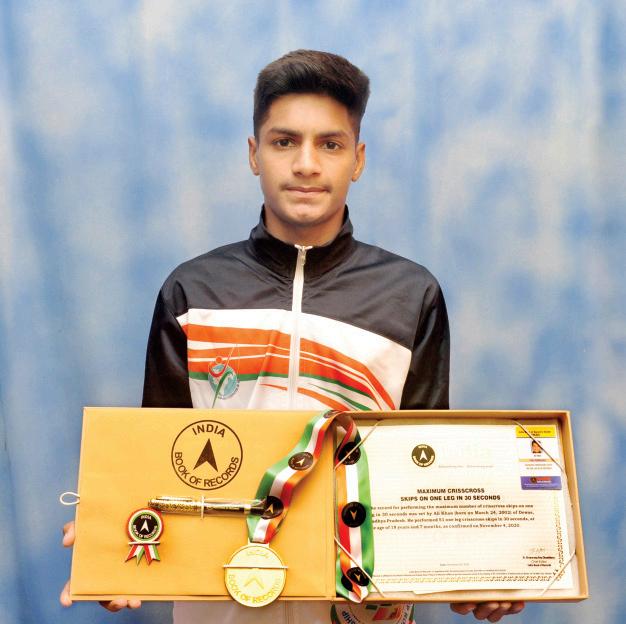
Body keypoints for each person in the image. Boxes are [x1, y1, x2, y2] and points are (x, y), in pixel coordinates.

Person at [61, 49, 524, 623]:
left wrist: (480, 568)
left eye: (329, 144)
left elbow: (425, 467)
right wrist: (112, 543)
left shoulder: (411, 294)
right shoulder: (192, 290)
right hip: (219, 609)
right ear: (254, 154)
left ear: (357, 159)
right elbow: (157, 457)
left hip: (363, 610)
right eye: (284, 142)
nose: (306, 164)